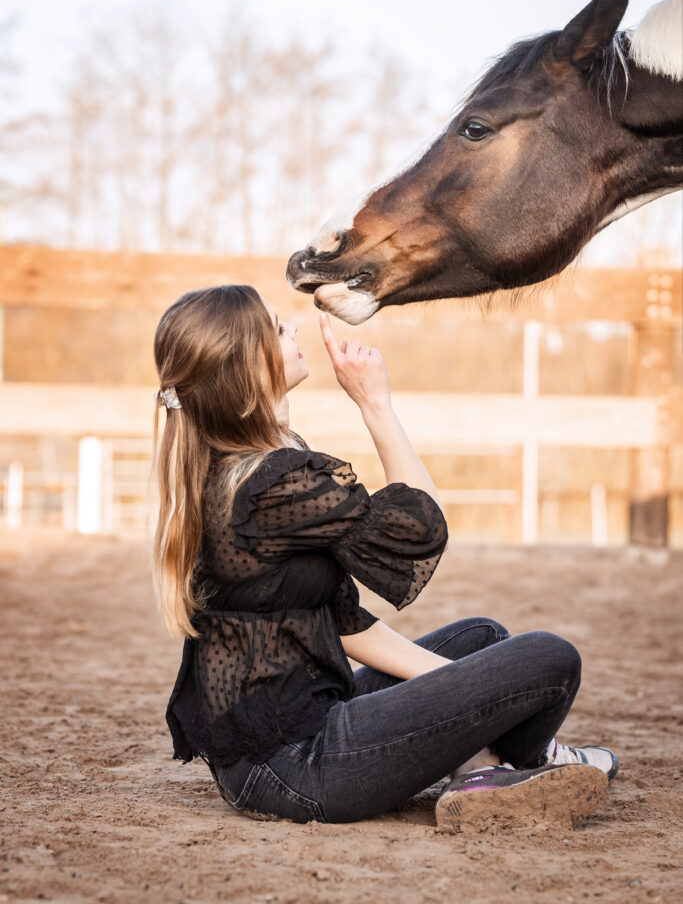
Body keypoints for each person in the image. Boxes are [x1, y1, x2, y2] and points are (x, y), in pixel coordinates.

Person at [152, 284, 617, 832]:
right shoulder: (271, 484)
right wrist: (377, 404)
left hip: (290, 737)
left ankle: (481, 766)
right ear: (248, 366)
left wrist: (464, 693)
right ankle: (510, 766)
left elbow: (344, 624)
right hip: (296, 766)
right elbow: (420, 529)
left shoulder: (243, 467)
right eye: (277, 329)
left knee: (483, 640)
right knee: (549, 659)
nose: (293, 330)